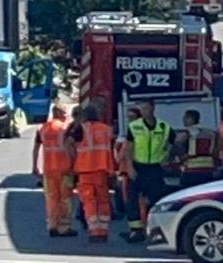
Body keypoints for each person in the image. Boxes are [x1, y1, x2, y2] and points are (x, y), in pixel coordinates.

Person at [122, 101, 171, 243]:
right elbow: (129, 149)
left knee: (156, 200)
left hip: (155, 168)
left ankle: (155, 230)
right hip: (138, 167)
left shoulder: (163, 126)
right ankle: (136, 231)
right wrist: (130, 167)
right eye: (141, 109)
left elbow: (174, 142)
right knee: (132, 200)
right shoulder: (134, 127)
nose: (143, 111)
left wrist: (166, 156)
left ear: (153, 108)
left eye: (146, 108)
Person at [68, 102, 115, 242]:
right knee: (103, 200)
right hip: (103, 170)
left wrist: (74, 157)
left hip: (85, 170)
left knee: (89, 201)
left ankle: (94, 231)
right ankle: (103, 230)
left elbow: (69, 142)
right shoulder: (107, 129)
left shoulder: (82, 129)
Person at [31, 102, 78, 237]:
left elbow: (36, 148)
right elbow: (71, 149)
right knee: (65, 199)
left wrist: (34, 166)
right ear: (58, 113)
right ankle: (63, 227)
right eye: (64, 113)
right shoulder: (65, 129)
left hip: (48, 170)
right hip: (64, 170)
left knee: (51, 199)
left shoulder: (43, 128)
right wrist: (75, 166)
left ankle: (52, 225)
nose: (66, 116)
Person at [175, 108, 218, 188]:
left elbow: (177, 144)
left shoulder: (187, 132)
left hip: (192, 168)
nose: (183, 120)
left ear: (191, 119)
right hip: (208, 167)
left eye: (185, 118)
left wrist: (179, 158)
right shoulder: (210, 132)